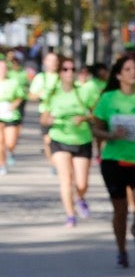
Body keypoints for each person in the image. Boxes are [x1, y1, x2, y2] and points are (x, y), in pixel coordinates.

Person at [89, 53, 135, 268]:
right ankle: (121, 250)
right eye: (128, 69)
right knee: (120, 210)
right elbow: (96, 128)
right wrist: (111, 135)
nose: (133, 73)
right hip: (113, 159)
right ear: (119, 75)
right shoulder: (108, 99)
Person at [42, 59, 93, 226]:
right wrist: (50, 119)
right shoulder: (52, 93)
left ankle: (80, 197)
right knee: (66, 179)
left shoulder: (84, 92)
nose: (69, 72)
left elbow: (96, 114)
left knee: (81, 182)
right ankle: (70, 215)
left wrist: (84, 117)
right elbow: (44, 118)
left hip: (82, 139)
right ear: (60, 72)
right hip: (59, 139)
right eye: (65, 69)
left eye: (73, 69)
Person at [29, 50, 62, 160]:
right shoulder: (40, 77)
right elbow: (31, 95)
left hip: (62, 113)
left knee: (61, 140)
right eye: (50, 60)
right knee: (48, 140)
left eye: (55, 60)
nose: (53, 63)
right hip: (45, 112)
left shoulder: (63, 77)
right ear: (45, 62)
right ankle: (53, 162)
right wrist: (39, 94)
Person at [0, 53, 24, 171]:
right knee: (0, 141)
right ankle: (2, 164)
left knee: (10, 142)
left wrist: (14, 105)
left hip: (10, 115)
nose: (2, 71)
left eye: (4, 68)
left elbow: (20, 97)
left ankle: (10, 151)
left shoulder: (13, 82)